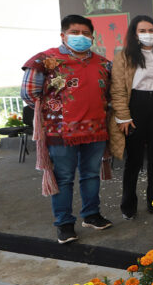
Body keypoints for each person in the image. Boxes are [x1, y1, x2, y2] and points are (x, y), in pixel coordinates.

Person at [21, 15, 113, 244]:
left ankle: (91, 215)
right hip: (60, 133)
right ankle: (64, 223)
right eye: (75, 32)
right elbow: (29, 94)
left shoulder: (104, 63)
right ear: (63, 35)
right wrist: (56, 112)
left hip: (95, 131)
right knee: (63, 179)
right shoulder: (45, 60)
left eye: (86, 33)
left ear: (92, 36)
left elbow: (110, 93)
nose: (81, 37)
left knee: (91, 175)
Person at [109, 16, 153, 219]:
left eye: (151, 29)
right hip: (135, 106)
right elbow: (117, 89)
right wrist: (123, 117)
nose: (148, 34)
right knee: (134, 160)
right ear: (134, 34)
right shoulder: (124, 56)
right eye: (142, 30)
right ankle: (128, 206)